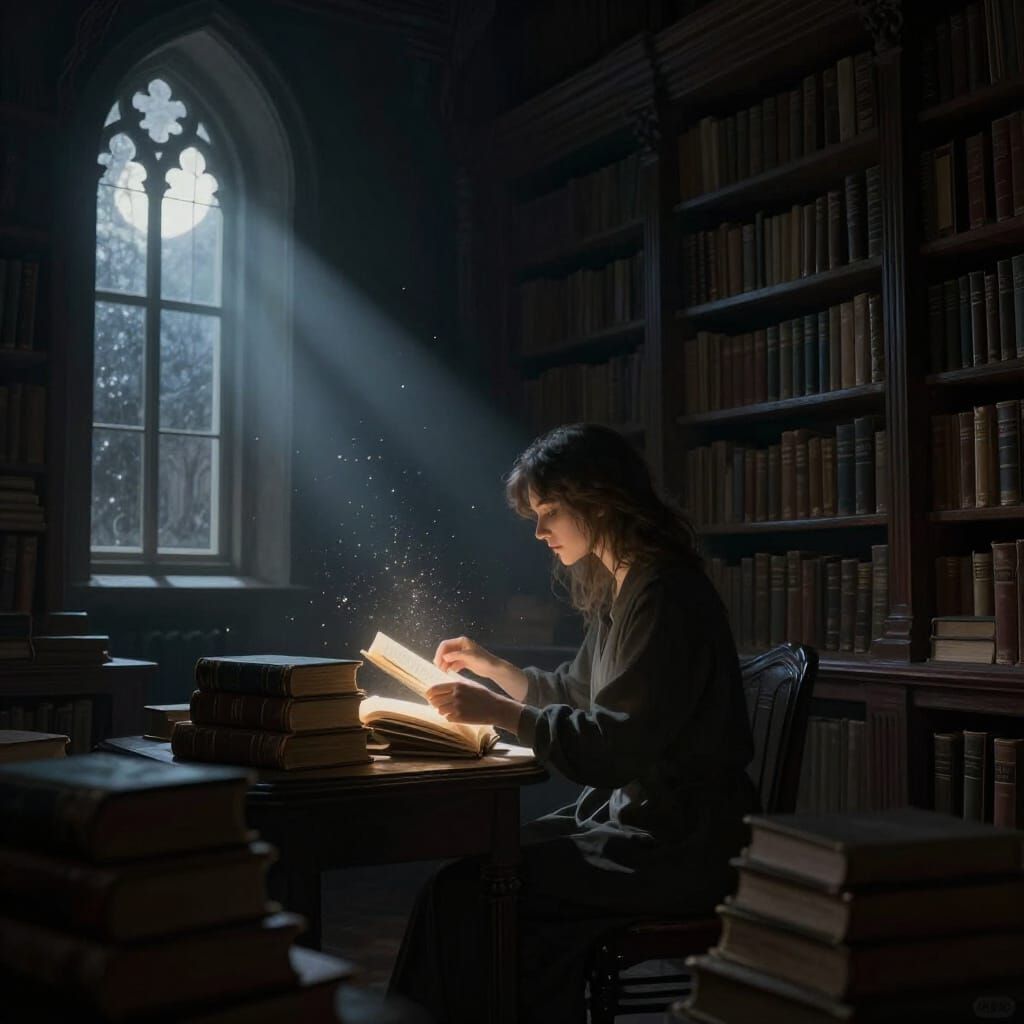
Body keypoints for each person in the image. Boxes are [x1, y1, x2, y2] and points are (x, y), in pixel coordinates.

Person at [388, 422, 758, 1023]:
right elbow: (576, 693)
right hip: (638, 826)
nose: (539, 531)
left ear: (600, 499)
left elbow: (609, 749)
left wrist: (500, 714)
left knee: (467, 891)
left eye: (550, 511)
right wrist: (493, 669)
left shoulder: (663, 594)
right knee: (471, 874)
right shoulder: (626, 586)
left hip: (678, 843)